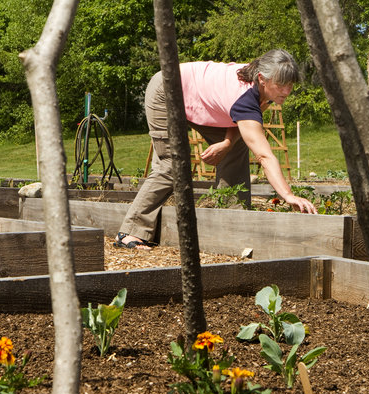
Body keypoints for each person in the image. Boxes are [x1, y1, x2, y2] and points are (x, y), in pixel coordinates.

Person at [115, 49, 317, 250]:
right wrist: (288, 195)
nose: (287, 91)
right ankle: (130, 231)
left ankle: (234, 222)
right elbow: (264, 155)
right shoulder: (246, 97)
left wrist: (227, 143)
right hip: (167, 89)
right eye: (281, 84)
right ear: (262, 78)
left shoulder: (261, 91)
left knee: (236, 148)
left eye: (290, 84)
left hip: (199, 101)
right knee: (172, 164)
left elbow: (238, 120)